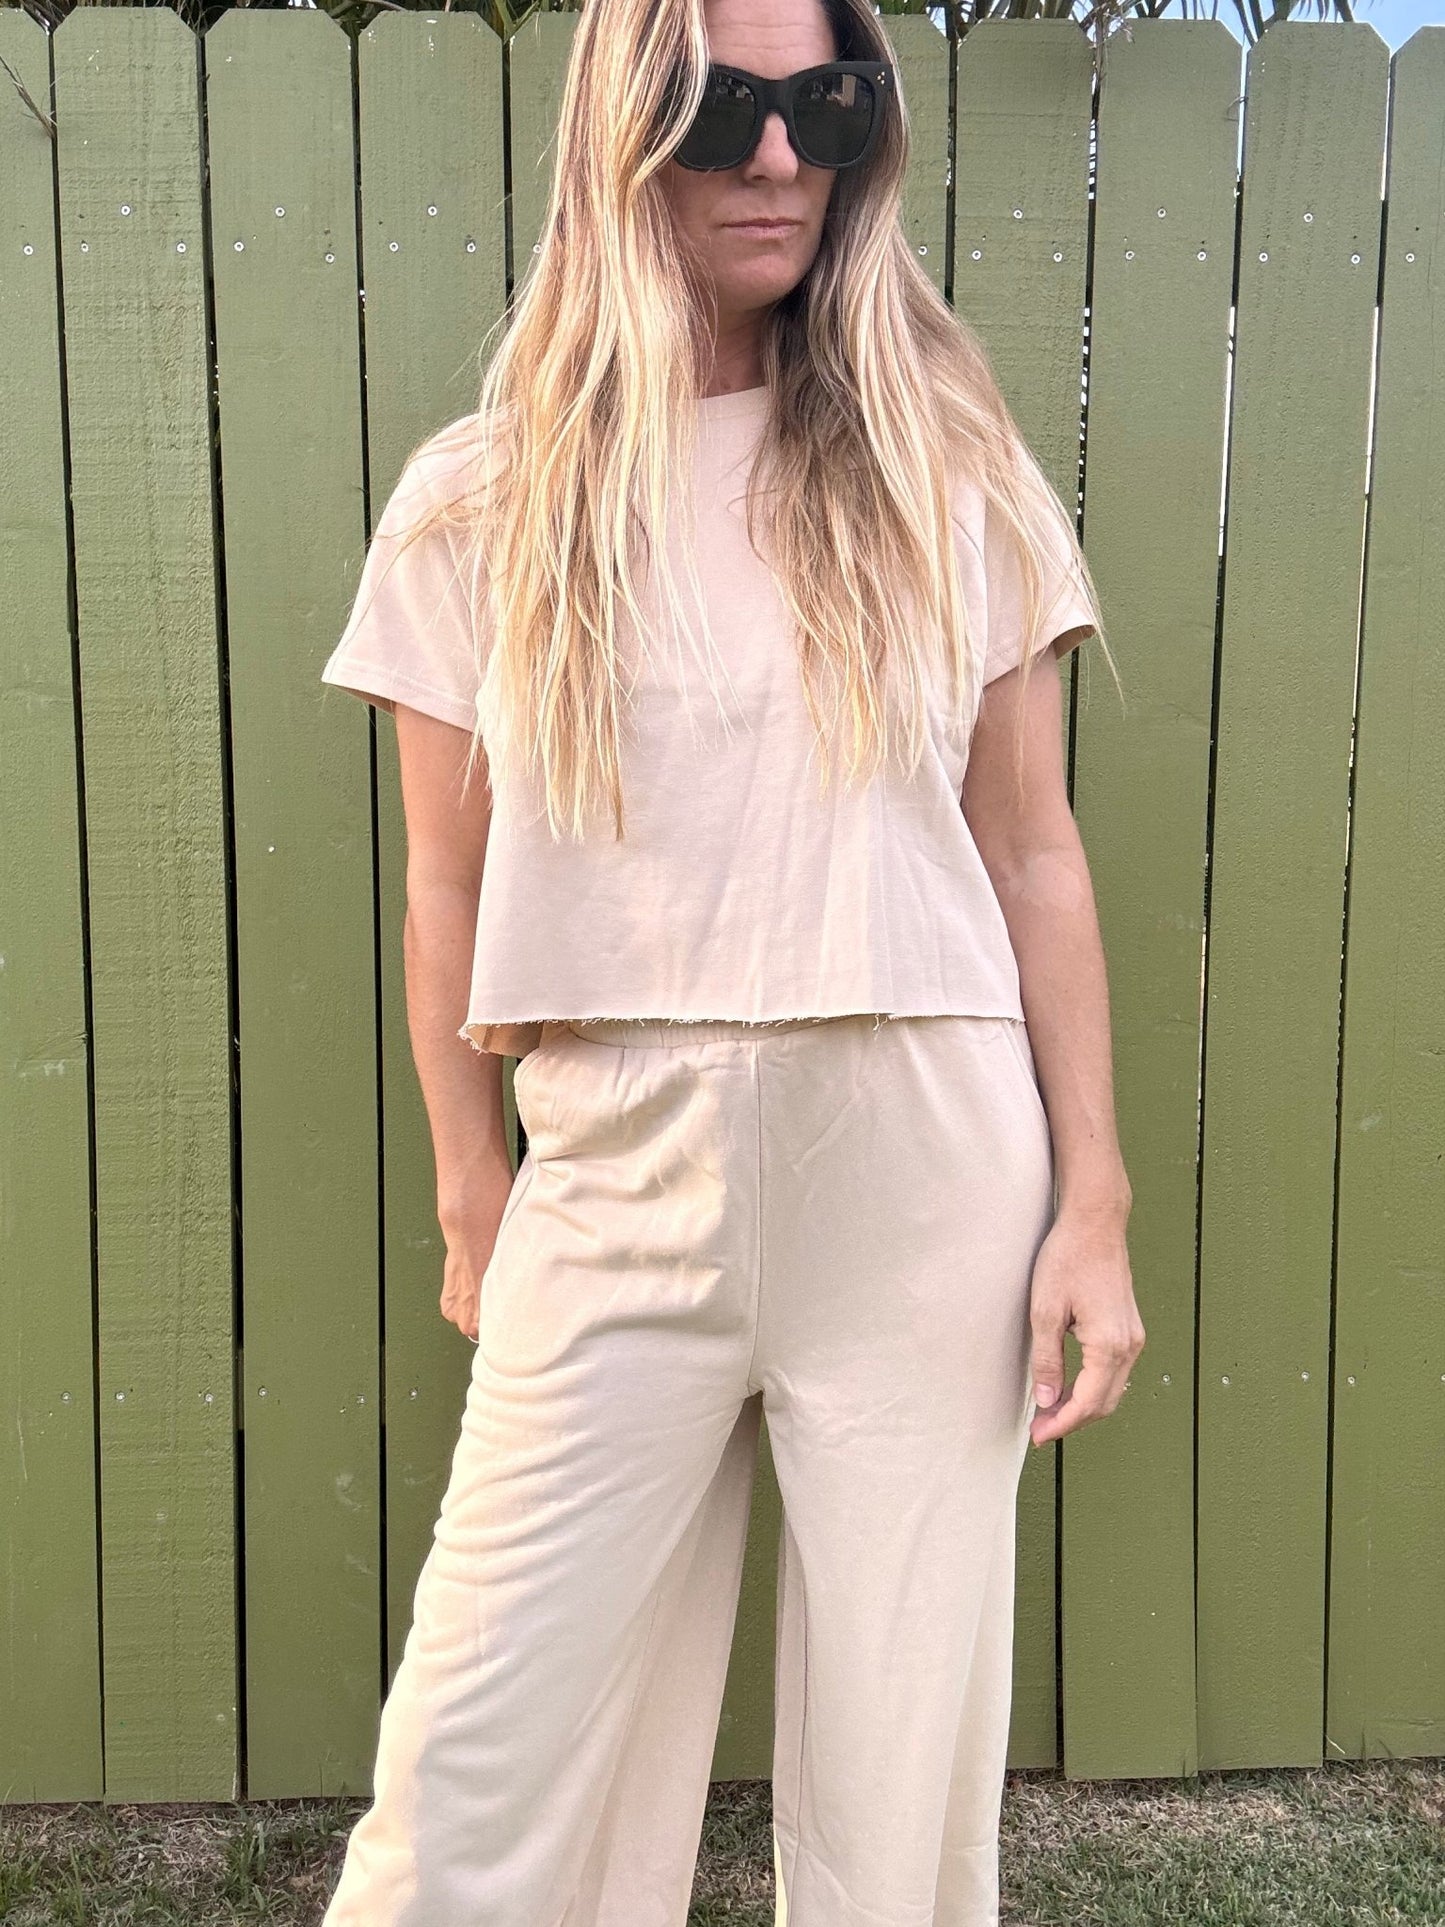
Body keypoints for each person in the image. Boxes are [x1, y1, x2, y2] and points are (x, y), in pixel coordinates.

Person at [316, 0, 1144, 1920]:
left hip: (922, 1161)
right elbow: (445, 880)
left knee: (895, 1762)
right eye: (718, 107)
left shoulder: (948, 469)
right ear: (622, 128)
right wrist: (469, 1186)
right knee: (476, 1754)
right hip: (615, 1161)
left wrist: (1090, 1203)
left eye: (825, 105)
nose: (776, 157)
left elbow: (1031, 851)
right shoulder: (481, 496)